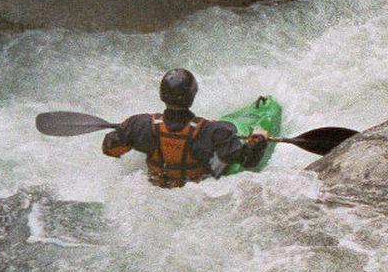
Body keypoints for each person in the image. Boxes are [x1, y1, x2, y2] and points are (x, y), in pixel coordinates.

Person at [101, 68, 270, 188]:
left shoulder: (140, 124)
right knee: (224, 140)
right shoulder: (213, 131)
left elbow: (110, 149)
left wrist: (128, 131)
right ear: (192, 96)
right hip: (194, 193)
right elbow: (249, 160)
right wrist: (258, 139)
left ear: (162, 95)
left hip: (154, 190)